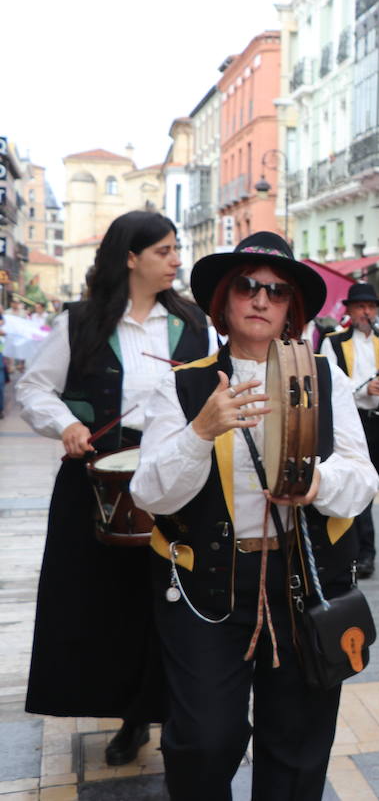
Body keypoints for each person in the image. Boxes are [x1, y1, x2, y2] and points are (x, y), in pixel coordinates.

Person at [129, 231, 377, 800]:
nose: (261, 299)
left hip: (303, 584)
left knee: (298, 747)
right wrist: (201, 430)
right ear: (224, 300)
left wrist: (315, 484)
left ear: (292, 308)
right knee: (202, 741)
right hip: (207, 588)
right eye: (247, 286)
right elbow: (151, 493)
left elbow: (362, 479)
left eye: (277, 291)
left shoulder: (323, 374)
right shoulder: (186, 382)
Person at [16, 211, 212, 767]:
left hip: (179, 474)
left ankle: (172, 714)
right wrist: (67, 425)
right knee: (106, 601)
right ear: (131, 257)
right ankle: (127, 713)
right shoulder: (82, 321)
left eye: (177, 250)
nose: (177, 260)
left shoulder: (194, 324)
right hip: (100, 479)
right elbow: (35, 388)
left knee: (173, 599)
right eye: (165, 251)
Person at [321, 283, 379, 579]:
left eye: (371, 307)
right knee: (352, 482)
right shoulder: (333, 341)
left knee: (369, 487)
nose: (367, 312)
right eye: (361, 307)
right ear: (349, 310)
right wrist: (363, 388)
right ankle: (362, 552)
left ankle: (361, 551)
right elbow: (329, 386)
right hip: (348, 421)